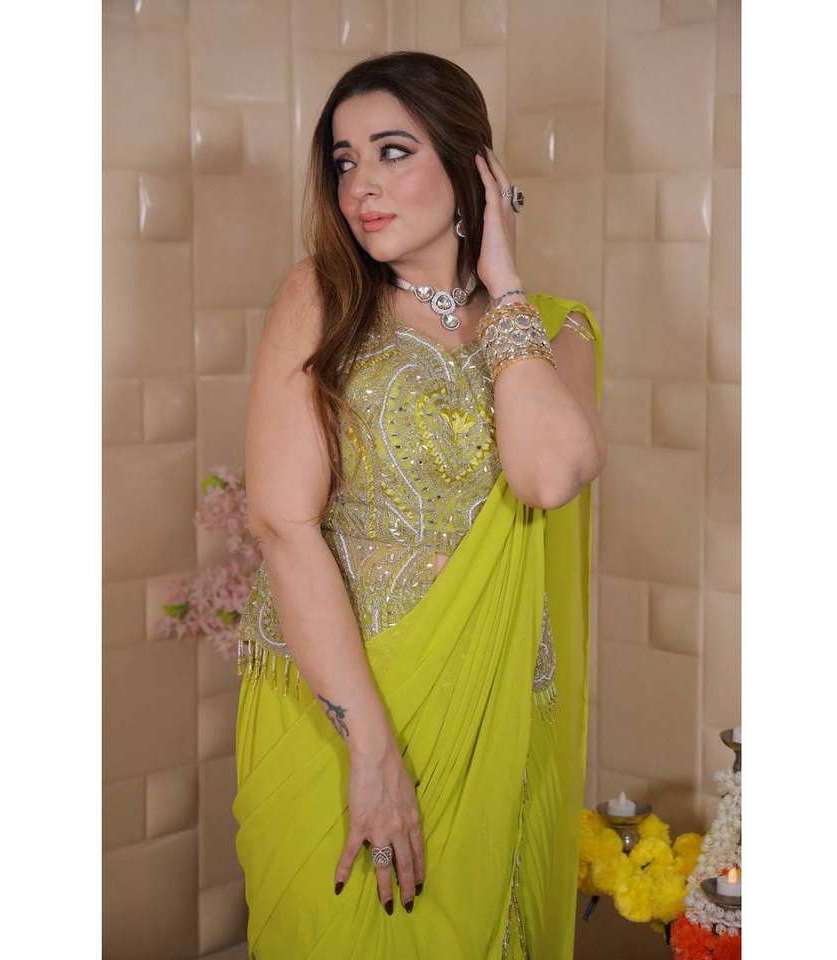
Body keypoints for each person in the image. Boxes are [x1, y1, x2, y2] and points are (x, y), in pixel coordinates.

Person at [232, 51, 606, 959]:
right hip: (339, 703)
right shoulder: (321, 297)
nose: (360, 184)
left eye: (392, 151)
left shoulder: (552, 328)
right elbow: (281, 524)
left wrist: (504, 286)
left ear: (473, 166)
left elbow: (549, 477)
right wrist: (370, 751)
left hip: (491, 704)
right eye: (344, 160)